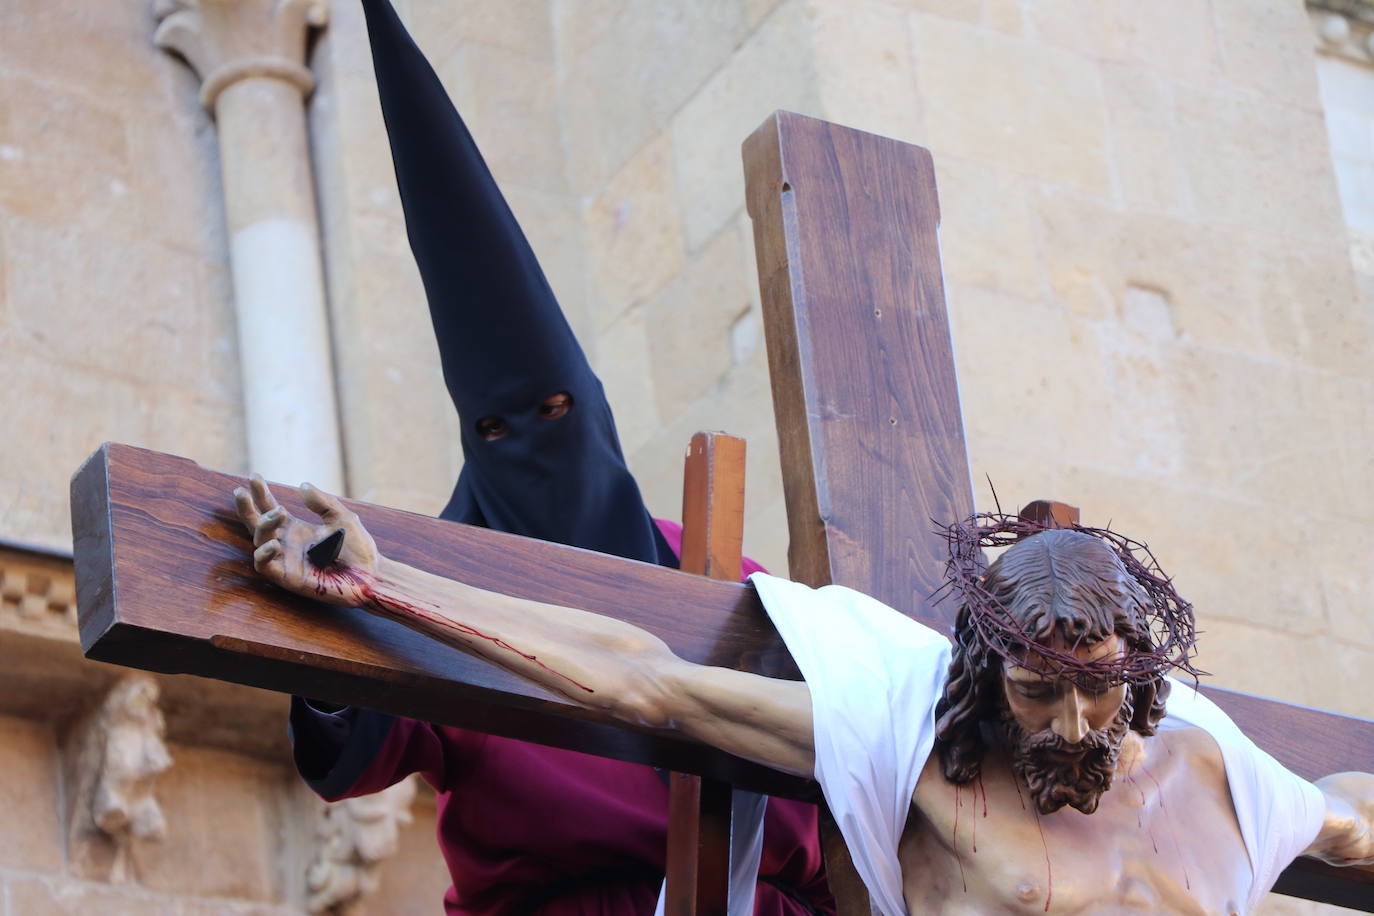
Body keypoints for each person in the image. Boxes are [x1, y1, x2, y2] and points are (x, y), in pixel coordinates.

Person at [285, 1, 834, 912]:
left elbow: (848, 741)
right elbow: (352, 747)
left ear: (596, 414)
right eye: (501, 433)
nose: (537, 447)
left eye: (555, 413)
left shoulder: (719, 571)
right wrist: (320, 637)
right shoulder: (437, 584)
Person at [236, 484, 1374, 915]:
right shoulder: (919, 744)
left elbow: (1352, 817)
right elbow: (649, 680)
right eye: (1038, 692)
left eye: (1097, 694)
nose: (1072, 728)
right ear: (993, 671)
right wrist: (384, 585)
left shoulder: (1221, 770)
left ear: (1140, 666)